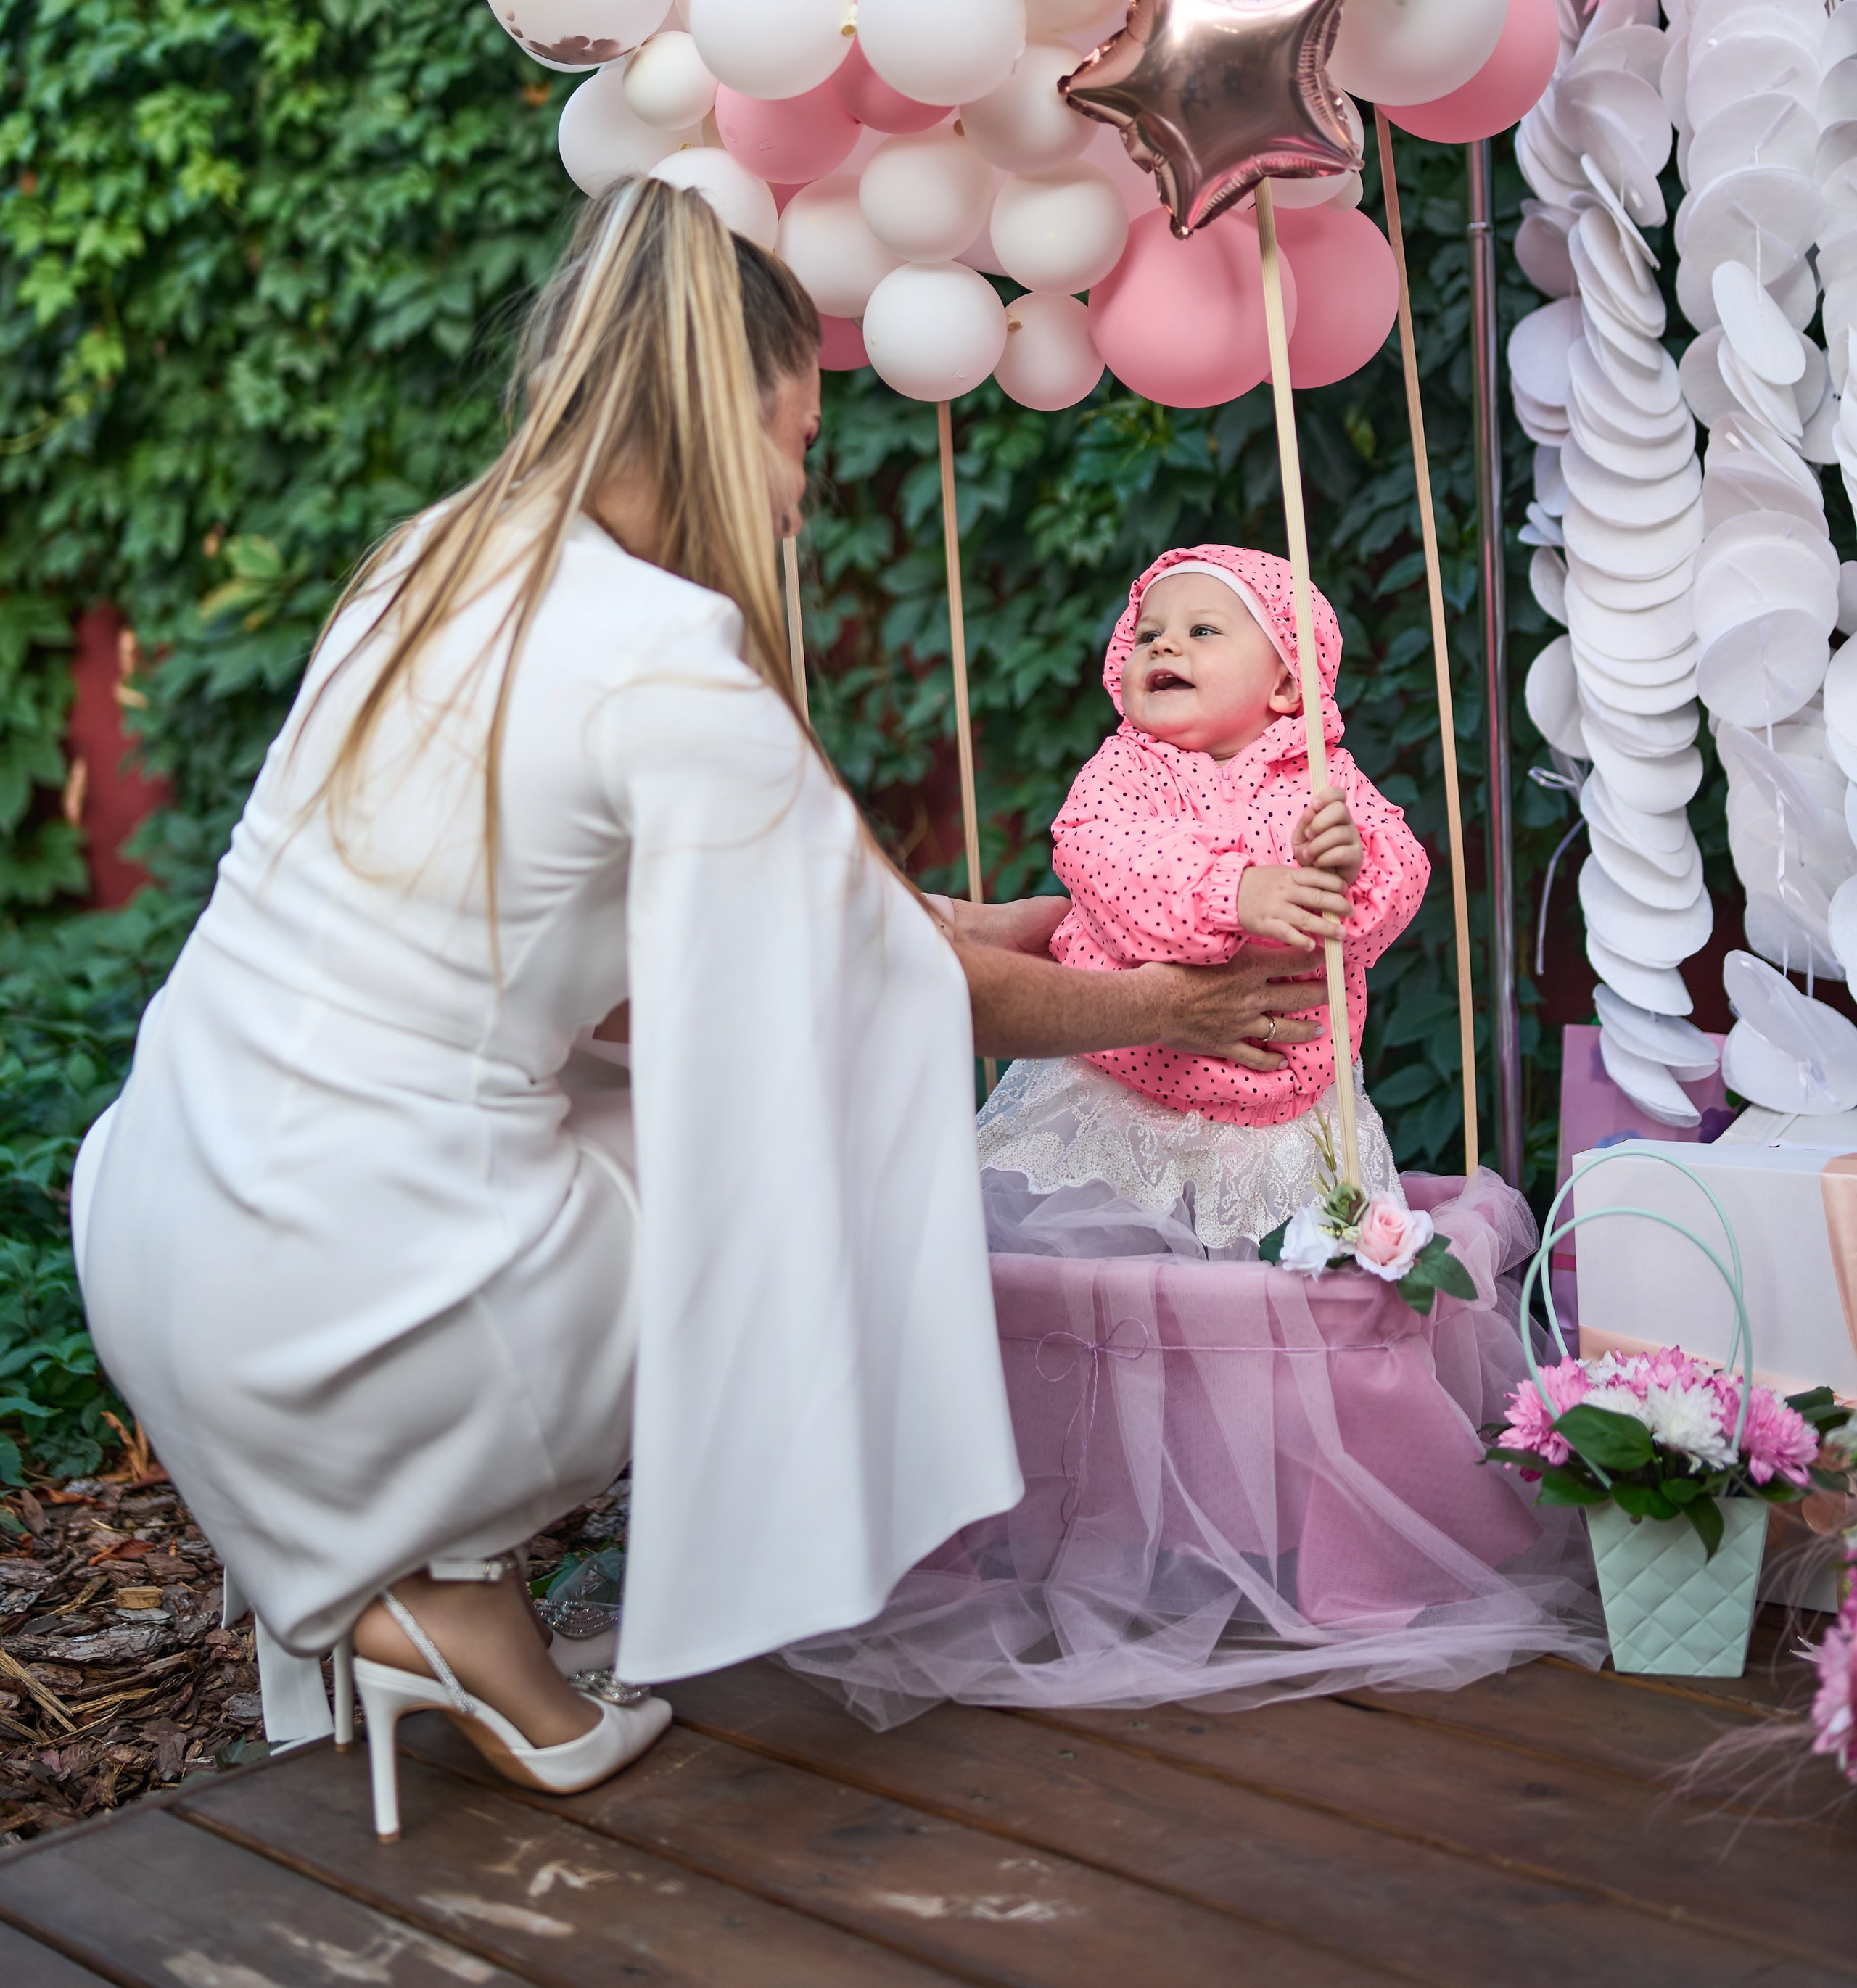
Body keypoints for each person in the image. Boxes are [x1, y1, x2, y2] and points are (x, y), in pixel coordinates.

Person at [70, 184, 1323, 1839]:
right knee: (797, 1148)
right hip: (355, 1291)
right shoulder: (664, 654)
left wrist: (996, 915)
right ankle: (422, 1554)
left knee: (669, 1080)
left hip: (165, 1216)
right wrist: (1164, 993)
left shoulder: (437, 565)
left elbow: (640, 959)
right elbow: (893, 988)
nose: (802, 490)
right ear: (730, 417)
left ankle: (439, 1602)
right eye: (799, 439)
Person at [977, 544, 1429, 1261]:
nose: (1163, 642)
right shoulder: (1125, 769)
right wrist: (1232, 893)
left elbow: (1401, 875)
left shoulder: (1323, 778)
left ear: (1286, 681)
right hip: (1116, 1100)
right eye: (1148, 633)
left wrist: (1351, 871)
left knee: (1272, 1320)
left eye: (1202, 631)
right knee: (1102, 1304)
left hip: (1279, 1122)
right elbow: (1096, 853)